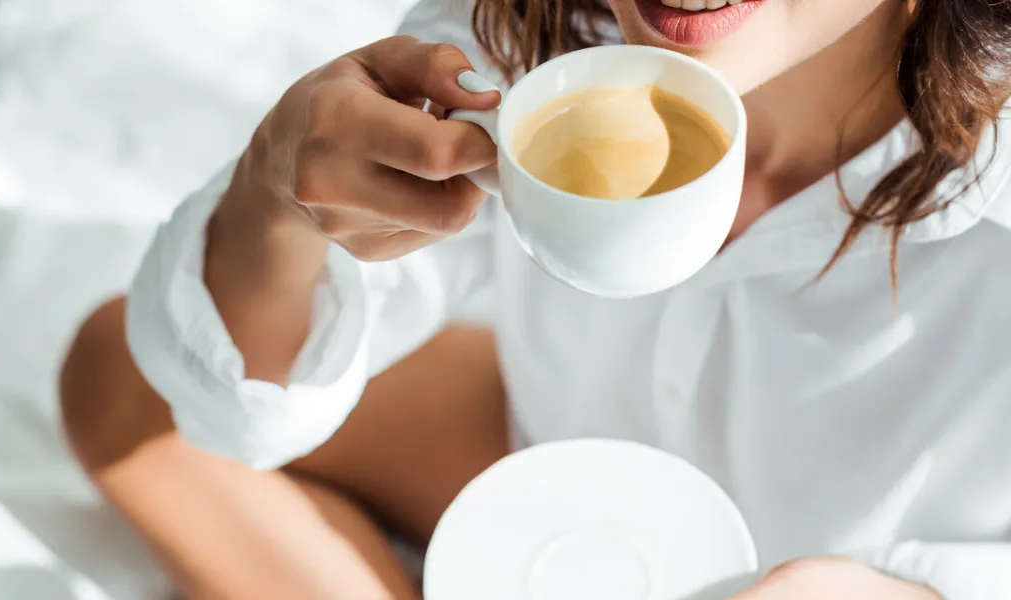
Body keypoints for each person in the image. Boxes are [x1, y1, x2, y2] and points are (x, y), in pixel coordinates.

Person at [59, 0, 1011, 598]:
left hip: (855, 566)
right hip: (560, 465)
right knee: (124, 380)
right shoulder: (526, 43)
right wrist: (276, 206)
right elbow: (226, 401)